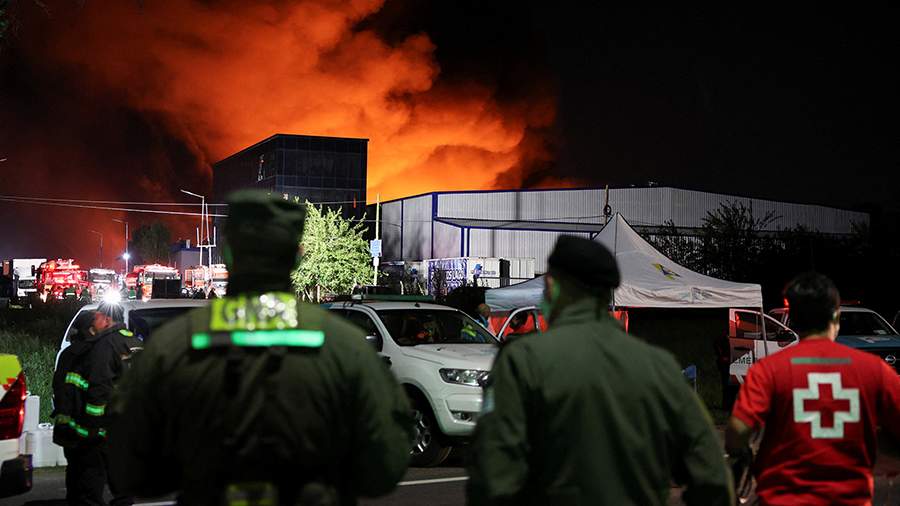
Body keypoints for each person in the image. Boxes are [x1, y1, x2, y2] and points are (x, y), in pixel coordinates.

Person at [108, 190, 413, 505]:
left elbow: (127, 468)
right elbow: (386, 467)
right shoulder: (344, 346)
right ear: (297, 256)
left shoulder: (173, 345)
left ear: (228, 253)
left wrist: (196, 464)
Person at [468, 235, 732, 506]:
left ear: (551, 286)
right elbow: (711, 473)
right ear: (608, 292)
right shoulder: (660, 367)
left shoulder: (522, 361)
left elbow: (492, 469)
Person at [725, 272, 900, 504]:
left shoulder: (768, 370)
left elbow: (737, 430)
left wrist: (743, 451)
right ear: (836, 316)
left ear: (793, 320)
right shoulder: (874, 369)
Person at [53, 304, 137, 505]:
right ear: (91, 329)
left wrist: (93, 427)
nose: (102, 322)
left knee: (84, 478)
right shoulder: (129, 344)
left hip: (85, 428)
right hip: (97, 427)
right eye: (97, 319)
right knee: (100, 478)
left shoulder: (92, 350)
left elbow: (94, 389)